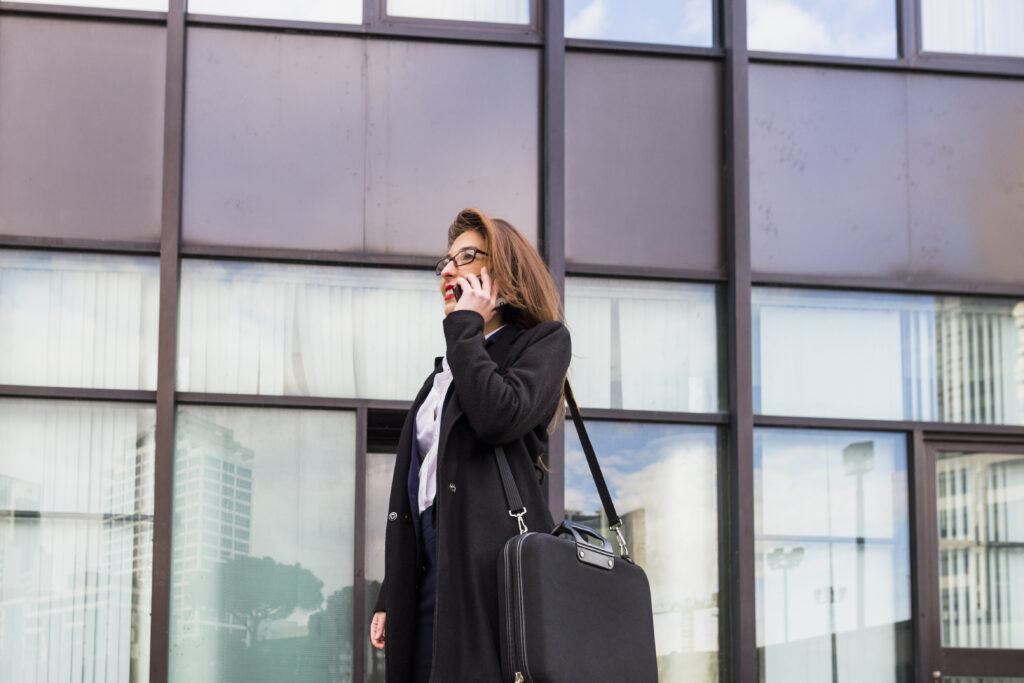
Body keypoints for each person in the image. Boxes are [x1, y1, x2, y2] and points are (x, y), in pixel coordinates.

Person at [369, 208, 571, 682]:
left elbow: (498, 416)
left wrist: (465, 327)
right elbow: (418, 492)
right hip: (427, 567)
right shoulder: (439, 378)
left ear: (503, 270)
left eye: (466, 257)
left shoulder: (542, 342)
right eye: (445, 261)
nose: (447, 270)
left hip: (488, 568)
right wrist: (390, 594)